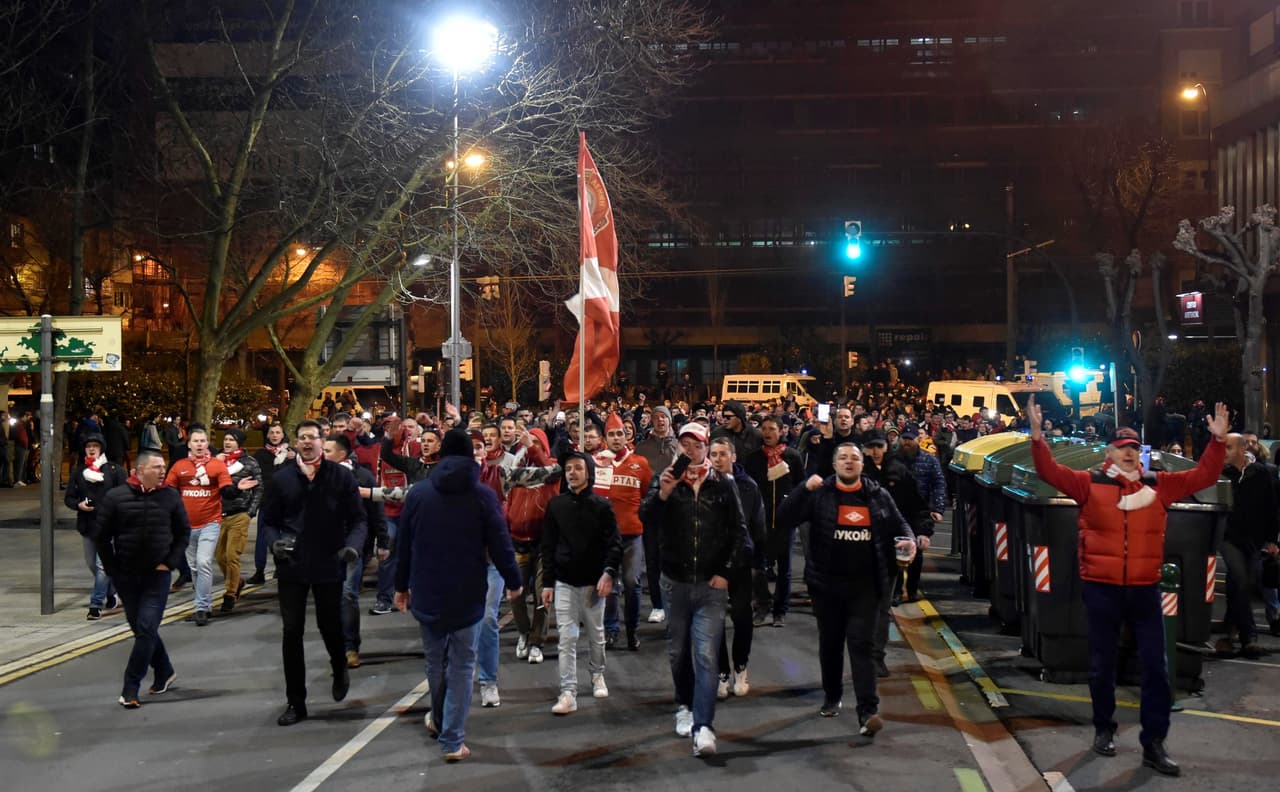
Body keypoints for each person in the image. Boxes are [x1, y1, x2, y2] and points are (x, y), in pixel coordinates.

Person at [1026, 396, 1228, 777]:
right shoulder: (1088, 484)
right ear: (1109, 453)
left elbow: (1202, 478)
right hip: (1101, 588)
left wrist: (1216, 443)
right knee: (1102, 665)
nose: (1130, 455)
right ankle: (1104, 729)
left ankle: (1154, 742)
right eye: (1122, 449)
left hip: (1144, 589)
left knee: (1156, 668)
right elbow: (1049, 472)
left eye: (1134, 448)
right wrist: (1038, 438)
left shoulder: (1158, 486)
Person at [394, 428, 523, 762]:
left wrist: (400, 586)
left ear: (440, 456)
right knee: (464, 665)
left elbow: (403, 545)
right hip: (467, 590)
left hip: (427, 589)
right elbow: (500, 541)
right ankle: (452, 739)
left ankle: (439, 721)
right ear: (470, 457)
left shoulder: (419, 494)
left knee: (435, 661)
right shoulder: (483, 495)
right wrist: (513, 579)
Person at [776, 442, 916, 736]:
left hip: (865, 588)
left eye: (854, 458)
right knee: (830, 645)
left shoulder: (878, 496)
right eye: (843, 458)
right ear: (835, 464)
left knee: (861, 648)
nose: (849, 462)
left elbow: (901, 526)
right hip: (827, 587)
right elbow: (785, 518)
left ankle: (868, 712)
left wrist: (909, 541)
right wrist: (803, 488)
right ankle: (832, 695)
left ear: (862, 464)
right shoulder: (821, 494)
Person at [638, 421, 747, 757]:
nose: (690, 450)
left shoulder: (724, 484)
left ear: (705, 448)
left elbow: (740, 534)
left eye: (696, 445)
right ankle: (684, 704)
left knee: (705, 654)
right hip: (675, 584)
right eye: (684, 444)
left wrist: (726, 572)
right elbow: (646, 519)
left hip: (711, 586)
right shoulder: (667, 480)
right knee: (678, 651)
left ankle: (704, 727)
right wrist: (664, 494)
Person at [257, 420, 368, 727]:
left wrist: (352, 548)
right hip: (292, 565)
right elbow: (268, 521)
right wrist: (273, 543)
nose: (307, 442)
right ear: (296, 443)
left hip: (328, 562)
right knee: (291, 631)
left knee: (329, 626)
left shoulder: (340, 477)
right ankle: (296, 701)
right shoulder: (283, 479)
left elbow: (359, 520)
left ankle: (339, 665)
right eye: (302, 437)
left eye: (313, 437)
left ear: (322, 441)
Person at [94, 449, 190, 708]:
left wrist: (169, 563)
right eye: (157, 467)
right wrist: (113, 569)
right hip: (126, 576)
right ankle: (165, 670)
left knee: (147, 628)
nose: (162, 471)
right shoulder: (116, 498)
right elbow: (101, 537)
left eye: (163, 466)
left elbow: (183, 533)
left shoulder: (170, 496)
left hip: (157, 577)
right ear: (139, 471)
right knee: (141, 629)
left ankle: (130, 687)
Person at [540, 451, 622, 715]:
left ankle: (597, 674)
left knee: (596, 636)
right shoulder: (556, 506)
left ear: (588, 471)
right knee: (567, 638)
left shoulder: (602, 505)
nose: (572, 473)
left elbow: (614, 544)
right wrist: (548, 583)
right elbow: (548, 546)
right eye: (568, 469)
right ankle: (568, 692)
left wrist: (608, 573)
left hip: (593, 583)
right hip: (564, 581)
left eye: (577, 468)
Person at [861, 429, 931, 677]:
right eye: (871, 447)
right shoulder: (858, 473)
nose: (876, 451)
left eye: (879, 446)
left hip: (888, 549)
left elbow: (916, 506)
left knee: (882, 607)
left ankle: (876, 657)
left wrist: (922, 532)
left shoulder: (900, 472)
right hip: (859, 549)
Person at [324, 433, 389, 669]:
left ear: (342, 453)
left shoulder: (362, 476)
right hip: (324, 548)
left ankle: (350, 647)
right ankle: (336, 646)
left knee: (347, 593)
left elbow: (375, 511)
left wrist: (383, 541)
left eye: (328, 451)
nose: (323, 455)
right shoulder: (315, 477)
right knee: (330, 599)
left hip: (353, 547)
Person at [709, 437, 766, 699]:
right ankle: (721, 672)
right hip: (712, 564)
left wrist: (757, 563)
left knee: (742, 618)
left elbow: (757, 526)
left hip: (741, 564)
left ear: (733, 456)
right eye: (714, 454)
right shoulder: (705, 484)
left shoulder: (748, 486)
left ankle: (740, 666)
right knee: (715, 621)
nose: (718, 458)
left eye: (723, 453)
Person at [164, 425, 238, 624]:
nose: (199, 444)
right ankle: (201, 604)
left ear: (207, 444)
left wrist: (236, 488)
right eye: (195, 441)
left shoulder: (216, 465)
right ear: (189, 444)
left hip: (210, 523)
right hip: (187, 527)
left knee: (204, 562)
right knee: (194, 567)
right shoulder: (180, 466)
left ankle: (202, 608)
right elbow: (168, 490)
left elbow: (226, 488)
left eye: (202, 441)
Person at [1217, 433, 1278, 658]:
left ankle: (1229, 632)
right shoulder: (1221, 474)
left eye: (1229, 447)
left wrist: (1272, 540)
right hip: (1228, 538)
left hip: (1254, 539)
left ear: (1242, 450)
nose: (1224, 452)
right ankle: (1249, 637)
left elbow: (1271, 507)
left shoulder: (1260, 473)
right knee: (1241, 579)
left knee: (1241, 584)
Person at [596, 413, 653, 651]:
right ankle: (611, 630)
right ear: (605, 438)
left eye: (620, 433)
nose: (617, 438)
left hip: (632, 534)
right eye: (612, 434)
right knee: (609, 585)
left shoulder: (640, 463)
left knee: (632, 581)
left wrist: (641, 515)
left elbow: (649, 492)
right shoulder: (597, 463)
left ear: (626, 435)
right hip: (607, 537)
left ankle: (632, 630)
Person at [743, 416, 805, 627]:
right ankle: (761, 606)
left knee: (784, 568)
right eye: (764, 428)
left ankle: (780, 610)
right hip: (760, 522)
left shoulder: (793, 457)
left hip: (785, 522)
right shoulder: (753, 459)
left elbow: (800, 486)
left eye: (772, 428)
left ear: (781, 432)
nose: (767, 432)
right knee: (758, 567)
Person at [65, 432, 127, 619]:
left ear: (101, 448)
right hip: (88, 525)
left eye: (95, 446)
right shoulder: (78, 472)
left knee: (102, 566)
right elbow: (69, 497)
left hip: (109, 526)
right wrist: (78, 505)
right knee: (92, 564)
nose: (91, 449)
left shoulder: (114, 470)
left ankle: (95, 604)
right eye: (88, 446)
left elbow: (124, 495)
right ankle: (111, 593)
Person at [635, 405, 679, 624]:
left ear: (670, 421)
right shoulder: (642, 448)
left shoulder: (680, 446)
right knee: (652, 559)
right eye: (656, 417)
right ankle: (657, 604)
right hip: (651, 508)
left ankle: (675, 603)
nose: (660, 420)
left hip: (676, 510)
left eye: (664, 417)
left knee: (674, 558)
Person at [895, 425, 946, 603]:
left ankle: (912, 590)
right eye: (905, 438)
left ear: (918, 439)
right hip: (897, 510)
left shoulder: (929, 460)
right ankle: (897, 590)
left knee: (917, 552)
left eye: (911, 438)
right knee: (898, 550)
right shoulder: (893, 459)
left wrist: (937, 509)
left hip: (920, 512)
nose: (907, 442)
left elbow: (938, 484)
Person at [215, 428, 261, 613]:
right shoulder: (217, 462)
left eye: (231, 440)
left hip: (240, 514)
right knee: (220, 556)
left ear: (239, 443)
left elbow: (259, 488)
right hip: (219, 515)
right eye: (225, 439)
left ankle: (230, 593)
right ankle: (238, 581)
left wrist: (250, 511)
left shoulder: (249, 463)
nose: (227, 443)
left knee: (232, 555)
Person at [247, 423, 295, 585]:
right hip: (267, 502)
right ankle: (259, 570)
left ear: (283, 435)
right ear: (267, 435)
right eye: (271, 433)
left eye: (278, 432)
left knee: (283, 537)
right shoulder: (260, 455)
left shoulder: (291, 454)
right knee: (262, 537)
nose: (274, 435)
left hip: (287, 503)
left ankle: (280, 567)